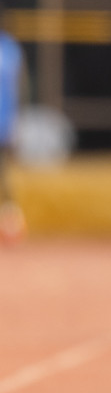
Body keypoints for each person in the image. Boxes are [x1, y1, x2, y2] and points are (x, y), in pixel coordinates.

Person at [0, 20, 27, 245]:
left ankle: (12, 227)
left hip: (4, 121)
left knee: (4, 177)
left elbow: (19, 88)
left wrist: (16, 122)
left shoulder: (10, 48)